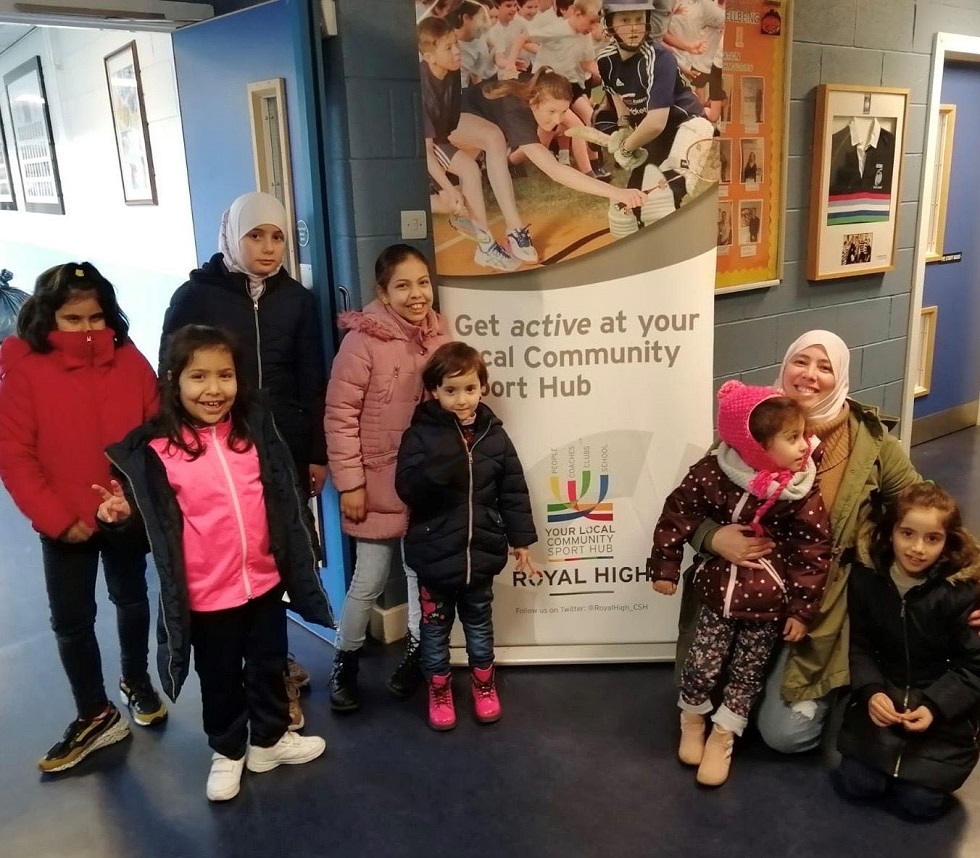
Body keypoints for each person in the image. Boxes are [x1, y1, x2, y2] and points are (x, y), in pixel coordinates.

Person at [97, 325, 332, 802]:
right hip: (208, 595)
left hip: (263, 583)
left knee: (269, 666)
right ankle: (228, 750)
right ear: (174, 381)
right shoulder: (159, 452)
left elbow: (281, 496)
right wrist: (124, 515)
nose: (213, 389)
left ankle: (269, 741)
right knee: (220, 677)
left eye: (225, 375)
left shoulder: (253, 430)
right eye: (198, 376)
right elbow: (155, 527)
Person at [675, 330, 923, 756]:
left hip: (815, 604)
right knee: (703, 690)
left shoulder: (873, 443)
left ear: (840, 376)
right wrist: (713, 538)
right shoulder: (751, 421)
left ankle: (836, 683)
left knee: (785, 736)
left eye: (825, 367)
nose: (809, 375)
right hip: (739, 592)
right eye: (800, 361)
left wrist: (967, 580)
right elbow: (688, 502)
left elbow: (926, 509)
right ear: (784, 365)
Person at [160, 192, 327, 730]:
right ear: (233, 236)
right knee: (224, 569)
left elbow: (311, 380)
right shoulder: (194, 297)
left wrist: (316, 455)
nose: (268, 247)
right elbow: (171, 376)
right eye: (256, 235)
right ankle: (230, 695)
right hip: (214, 457)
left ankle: (275, 678)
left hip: (283, 455)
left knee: (275, 562)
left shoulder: (297, 300)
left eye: (277, 236)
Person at [0, 262, 166, 773]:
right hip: (65, 521)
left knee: (132, 598)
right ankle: (94, 712)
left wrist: (134, 501)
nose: (87, 329)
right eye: (73, 319)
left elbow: (154, 435)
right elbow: (14, 454)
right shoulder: (24, 369)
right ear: (48, 317)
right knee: (72, 621)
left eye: (96, 316)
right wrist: (57, 518)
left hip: (124, 513)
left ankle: (135, 680)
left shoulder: (132, 362)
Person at [650, 381, 832, 786]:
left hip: (769, 602)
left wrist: (802, 610)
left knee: (747, 673)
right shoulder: (714, 472)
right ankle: (693, 718)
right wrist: (665, 565)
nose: (806, 446)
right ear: (755, 446)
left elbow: (813, 548)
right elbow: (677, 513)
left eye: (804, 435)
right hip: (717, 593)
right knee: (702, 662)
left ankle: (723, 735)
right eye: (793, 438)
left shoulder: (800, 487)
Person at [324, 245, 451, 711]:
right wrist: (351, 484)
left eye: (422, 282)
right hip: (375, 483)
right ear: (382, 292)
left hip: (425, 486)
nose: (416, 294)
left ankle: (419, 654)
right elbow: (339, 416)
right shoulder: (361, 343)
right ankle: (346, 660)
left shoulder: (439, 335)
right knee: (369, 581)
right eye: (402, 285)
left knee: (423, 579)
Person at [395, 343, 537, 730]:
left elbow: (513, 491)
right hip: (434, 553)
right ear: (434, 392)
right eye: (451, 390)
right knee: (435, 628)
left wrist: (520, 542)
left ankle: (483, 684)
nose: (462, 399)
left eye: (470, 389)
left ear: (483, 388)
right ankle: (438, 688)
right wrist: (438, 468)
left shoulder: (494, 436)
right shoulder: (420, 435)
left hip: (481, 553)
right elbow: (407, 489)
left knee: (478, 623)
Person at [836, 483, 980, 820]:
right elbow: (860, 645)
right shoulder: (867, 579)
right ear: (889, 535)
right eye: (907, 533)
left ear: (947, 544)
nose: (917, 548)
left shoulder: (960, 592)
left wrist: (935, 706)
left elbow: (974, 665)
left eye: (932, 538)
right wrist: (871, 691)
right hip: (885, 690)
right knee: (859, 783)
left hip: (942, 704)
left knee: (921, 802)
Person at [461, 69, 646, 218]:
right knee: (493, 143)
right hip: (456, 121)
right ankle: (514, 229)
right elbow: (555, 171)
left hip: (477, 122)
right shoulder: (516, 112)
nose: (558, 119)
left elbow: (579, 126)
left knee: (459, 194)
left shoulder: (545, 89)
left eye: (563, 111)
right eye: (551, 112)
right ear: (533, 102)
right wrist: (617, 193)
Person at [596, 0, 712, 232]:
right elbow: (618, 97)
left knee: (662, 202)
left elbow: (656, 123)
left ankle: (672, 256)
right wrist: (623, 127)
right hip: (653, 135)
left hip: (687, 127)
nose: (633, 27)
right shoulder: (605, 60)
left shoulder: (660, 59)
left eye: (639, 19)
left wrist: (626, 148)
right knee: (627, 210)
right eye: (625, 20)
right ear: (608, 23)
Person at [418, 15, 521, 272]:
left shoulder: (451, 72)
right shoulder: (422, 89)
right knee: (464, 178)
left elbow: (449, 128)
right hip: (420, 149)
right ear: (429, 56)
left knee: (450, 198)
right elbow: (427, 150)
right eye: (448, 48)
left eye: (456, 44)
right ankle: (486, 246)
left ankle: (483, 242)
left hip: (438, 139)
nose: (457, 52)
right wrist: (450, 186)